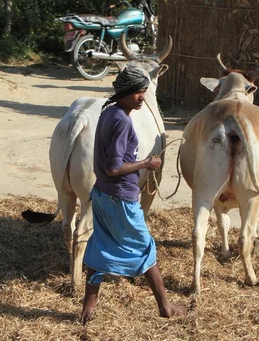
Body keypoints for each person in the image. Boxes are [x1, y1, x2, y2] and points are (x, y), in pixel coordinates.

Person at [80, 67, 187, 325]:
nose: (142, 97)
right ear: (125, 92)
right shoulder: (121, 120)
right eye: (138, 92)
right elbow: (113, 167)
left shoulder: (108, 113)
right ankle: (165, 307)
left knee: (99, 248)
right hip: (121, 198)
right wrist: (146, 163)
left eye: (144, 91)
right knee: (145, 249)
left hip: (103, 194)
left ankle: (87, 311)